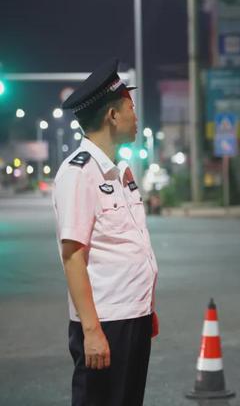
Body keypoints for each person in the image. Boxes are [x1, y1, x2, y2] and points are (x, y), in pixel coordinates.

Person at [53, 58, 159, 406]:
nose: (135, 113)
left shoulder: (121, 171)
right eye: (130, 105)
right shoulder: (79, 173)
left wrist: (146, 306)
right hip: (106, 322)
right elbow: (72, 256)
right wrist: (91, 330)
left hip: (132, 316)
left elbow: (128, 245)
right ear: (112, 116)